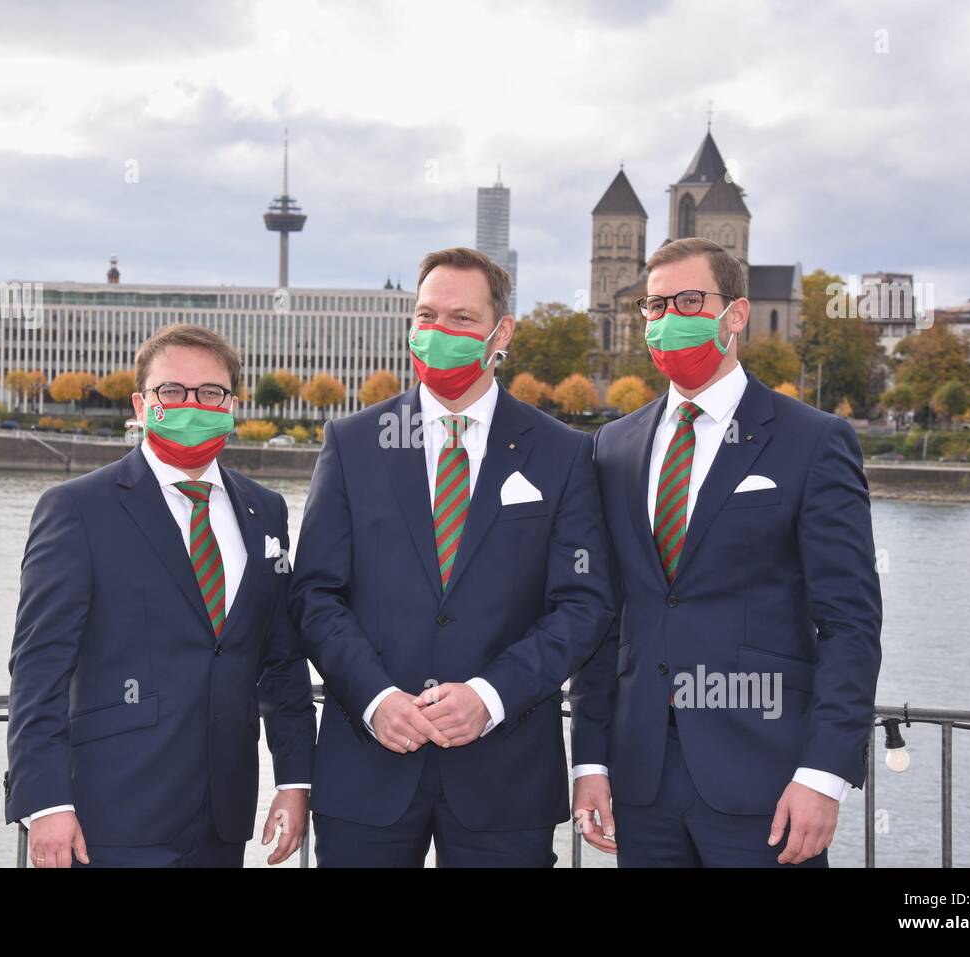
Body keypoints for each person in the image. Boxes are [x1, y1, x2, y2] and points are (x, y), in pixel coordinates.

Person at [291, 247, 616, 867]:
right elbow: (314, 595)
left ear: (501, 332)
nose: (440, 334)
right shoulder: (353, 443)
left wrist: (492, 696)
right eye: (427, 317)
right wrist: (375, 698)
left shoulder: (563, 453)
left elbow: (584, 602)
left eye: (462, 320)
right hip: (367, 770)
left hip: (507, 778)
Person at [570, 237, 882, 867]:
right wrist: (592, 760)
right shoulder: (613, 447)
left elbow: (850, 623)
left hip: (768, 785)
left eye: (689, 300)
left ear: (735, 314)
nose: (668, 318)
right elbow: (603, 619)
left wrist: (824, 773)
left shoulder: (813, 441)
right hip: (642, 783)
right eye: (654, 306)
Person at [4, 324, 316, 867]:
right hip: (110, 813)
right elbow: (38, 665)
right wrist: (45, 800)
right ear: (141, 404)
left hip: (224, 816)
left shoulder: (265, 511)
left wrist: (294, 779)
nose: (191, 405)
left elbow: (281, 660)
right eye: (171, 391)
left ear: (232, 406)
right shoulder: (78, 509)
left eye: (210, 393)